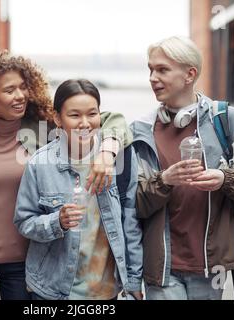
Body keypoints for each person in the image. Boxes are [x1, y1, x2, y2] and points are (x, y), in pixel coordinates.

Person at [0, 52, 133, 300]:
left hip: (26, 260)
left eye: (23, 87)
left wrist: (107, 152)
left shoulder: (44, 128)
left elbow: (112, 120)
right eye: (10, 90)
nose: (20, 95)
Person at [130, 36, 234, 300]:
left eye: (162, 69)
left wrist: (223, 178)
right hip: (162, 267)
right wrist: (165, 180)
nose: (152, 77)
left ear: (189, 74)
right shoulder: (141, 131)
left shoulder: (227, 119)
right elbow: (135, 202)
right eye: (150, 69)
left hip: (212, 266)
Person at [14, 79, 143, 300]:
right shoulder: (40, 163)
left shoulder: (118, 157)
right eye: (74, 115)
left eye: (92, 114)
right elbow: (24, 222)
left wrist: (133, 281)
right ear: (57, 119)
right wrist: (57, 222)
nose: (85, 123)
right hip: (52, 290)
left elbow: (130, 220)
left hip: (106, 291)